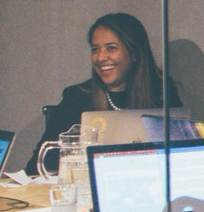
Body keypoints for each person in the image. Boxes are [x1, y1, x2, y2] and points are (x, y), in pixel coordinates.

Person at [39, 12, 182, 146]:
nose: (100, 57)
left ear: (134, 54)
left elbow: (180, 153)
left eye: (111, 48)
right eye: (95, 49)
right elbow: (39, 165)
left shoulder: (161, 93)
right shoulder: (77, 98)